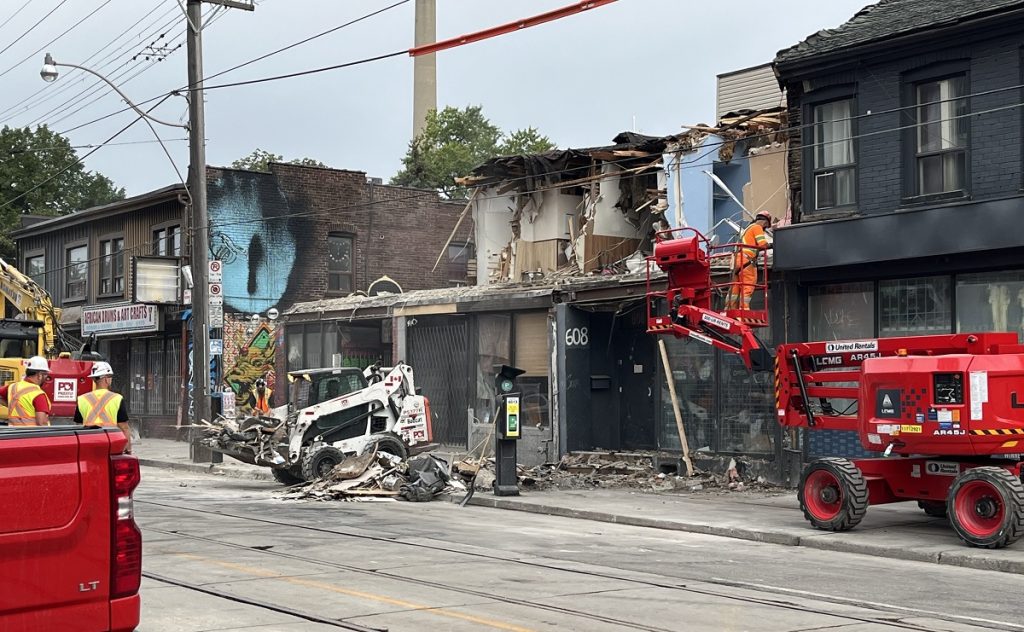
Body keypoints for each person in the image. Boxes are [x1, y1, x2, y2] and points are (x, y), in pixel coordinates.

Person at [75, 361, 132, 453]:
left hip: (88, 444)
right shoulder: (117, 398)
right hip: (110, 443)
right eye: (110, 377)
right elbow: (124, 427)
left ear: (94, 379)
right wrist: (128, 448)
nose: (111, 380)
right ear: (106, 379)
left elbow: (78, 426)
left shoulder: (82, 399)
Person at [726, 211, 773, 310]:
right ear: (765, 222)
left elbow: (753, 245)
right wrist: (773, 244)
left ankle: (730, 309)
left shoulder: (747, 229)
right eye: (766, 226)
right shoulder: (757, 227)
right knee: (748, 285)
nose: (764, 229)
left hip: (736, 260)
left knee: (735, 287)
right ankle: (744, 310)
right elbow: (762, 244)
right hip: (746, 260)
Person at [0, 356, 53, 426]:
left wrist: (11, 404)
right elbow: (42, 423)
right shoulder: (38, 395)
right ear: (39, 375)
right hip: (31, 435)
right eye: (46, 374)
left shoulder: (12, 387)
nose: (46, 377)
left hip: (12, 434)